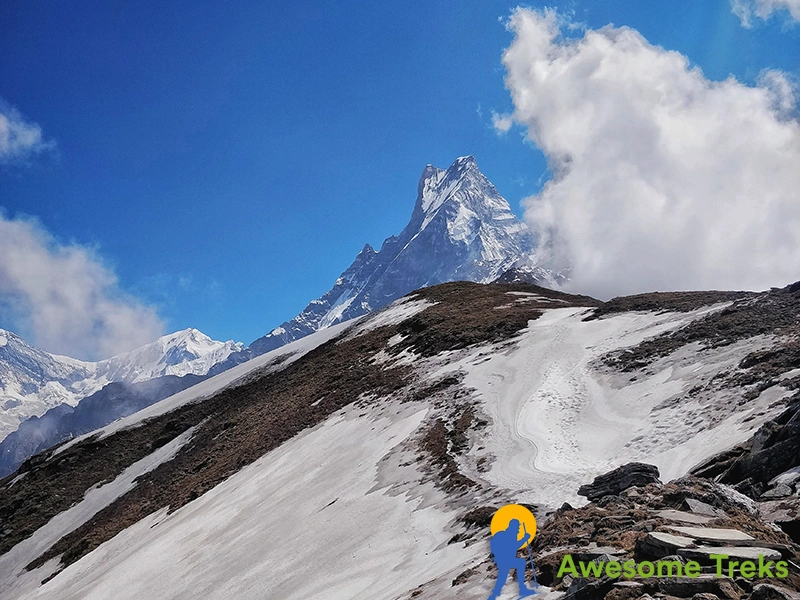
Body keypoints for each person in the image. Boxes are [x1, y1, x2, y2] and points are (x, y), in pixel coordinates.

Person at [488, 519, 537, 599]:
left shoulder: (508, 534)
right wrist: (524, 539)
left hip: (502, 559)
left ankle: (495, 594)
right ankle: (522, 588)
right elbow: (515, 546)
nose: (518, 529)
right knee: (520, 563)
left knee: (502, 576)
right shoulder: (510, 534)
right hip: (505, 559)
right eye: (518, 527)